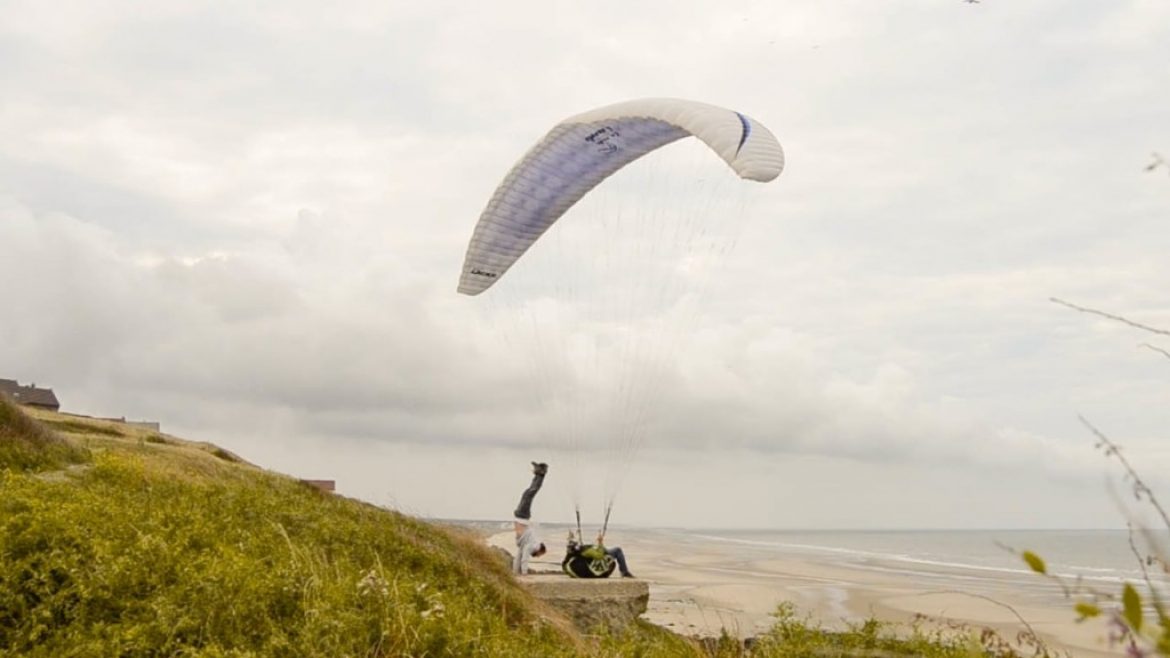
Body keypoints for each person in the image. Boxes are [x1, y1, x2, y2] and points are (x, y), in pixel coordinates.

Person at [512, 461, 548, 574]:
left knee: (528, 493)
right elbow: (524, 559)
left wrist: (514, 573)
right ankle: (541, 474)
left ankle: (538, 473)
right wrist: (524, 573)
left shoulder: (526, 545)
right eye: (540, 555)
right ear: (539, 550)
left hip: (520, 516)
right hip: (522, 516)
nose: (538, 557)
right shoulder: (531, 545)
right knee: (529, 493)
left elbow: (518, 558)